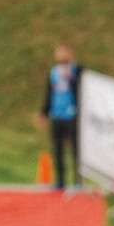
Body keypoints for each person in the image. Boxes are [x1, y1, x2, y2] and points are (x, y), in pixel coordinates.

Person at [39, 43, 83, 192]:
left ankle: (78, 180)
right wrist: (44, 112)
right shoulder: (54, 72)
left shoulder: (78, 71)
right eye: (59, 53)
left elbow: (84, 91)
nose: (62, 56)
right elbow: (49, 93)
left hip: (73, 114)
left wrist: (71, 79)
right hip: (57, 114)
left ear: (71, 54)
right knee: (57, 149)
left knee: (76, 148)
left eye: (65, 52)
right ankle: (60, 180)